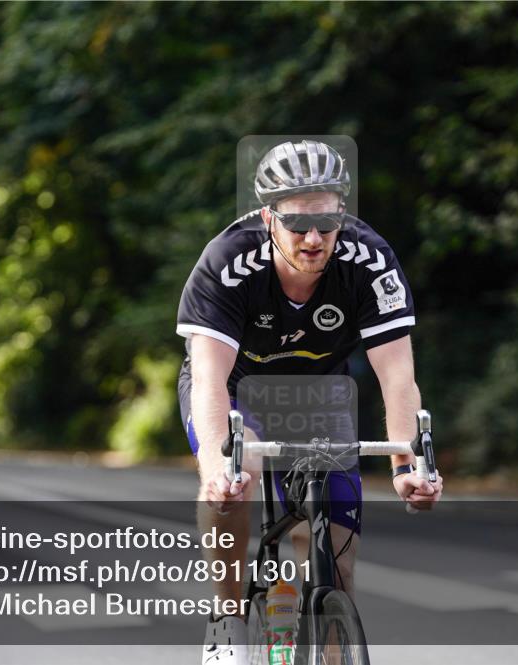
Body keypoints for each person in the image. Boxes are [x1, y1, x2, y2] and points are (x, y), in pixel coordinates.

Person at [176, 140, 444, 664]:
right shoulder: (228, 261)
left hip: (319, 393)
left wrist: (408, 463)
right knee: (239, 468)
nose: (315, 238)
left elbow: (397, 376)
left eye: (326, 221)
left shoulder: (369, 260)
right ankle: (228, 618)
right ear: (267, 216)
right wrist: (215, 465)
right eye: (298, 224)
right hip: (237, 389)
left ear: (341, 211)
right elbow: (209, 378)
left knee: (338, 569)